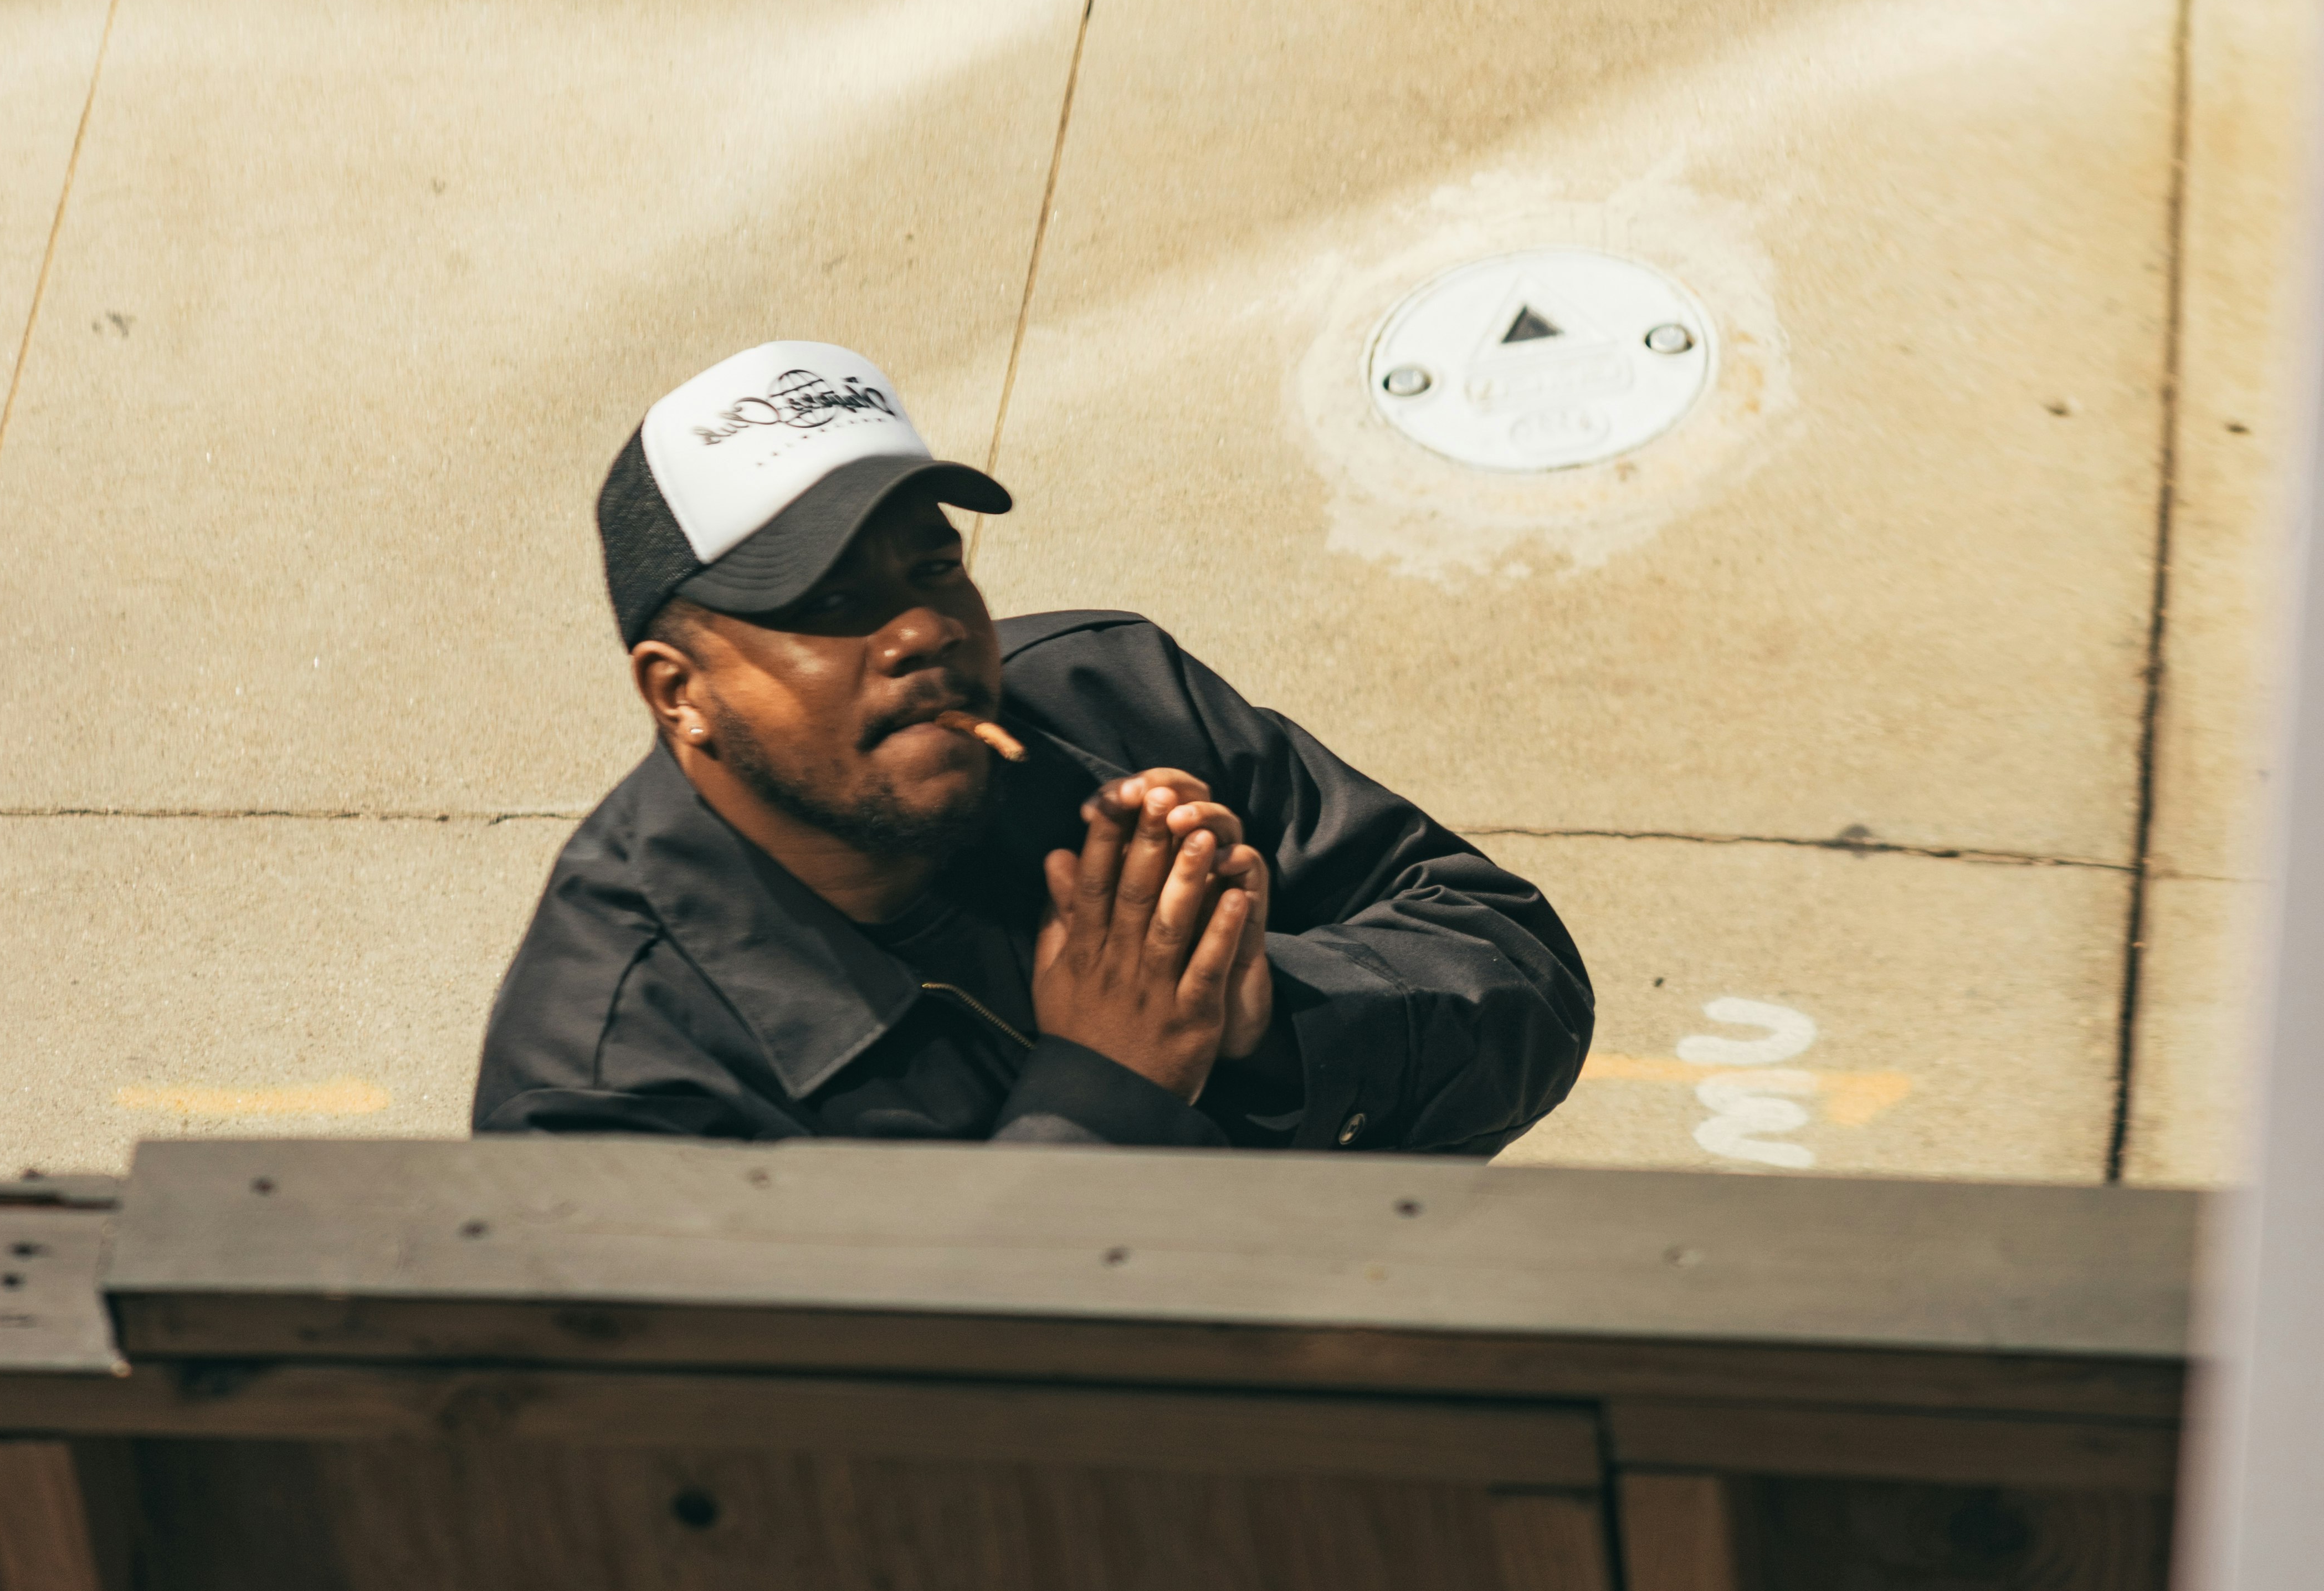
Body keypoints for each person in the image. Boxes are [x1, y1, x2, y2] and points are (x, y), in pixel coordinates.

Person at [473, 341, 1592, 1153]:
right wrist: (1102, 1098)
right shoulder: (609, 1086)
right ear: (681, 695)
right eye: (826, 599)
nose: (920, 629)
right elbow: (831, 1459)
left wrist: (1267, 1016)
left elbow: (1524, 974)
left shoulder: (1108, 696)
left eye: (930, 567)